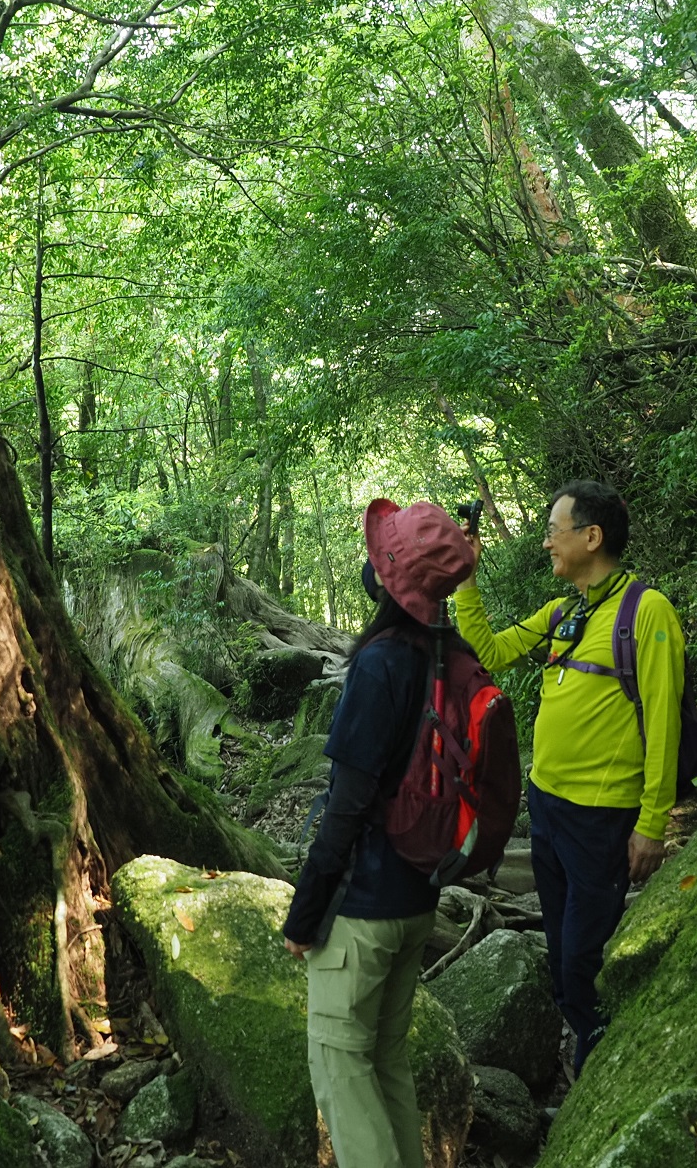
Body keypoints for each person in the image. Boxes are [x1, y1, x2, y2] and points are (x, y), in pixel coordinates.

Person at [453, 479, 684, 1078]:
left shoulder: (646, 612)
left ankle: (600, 1056)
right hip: (548, 808)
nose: (547, 542)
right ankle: (583, 1040)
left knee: (582, 954)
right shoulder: (565, 612)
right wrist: (467, 581)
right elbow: (488, 653)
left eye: (555, 531)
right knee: (560, 946)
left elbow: (663, 722)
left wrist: (652, 823)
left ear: (592, 536)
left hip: (601, 817)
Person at [282, 499, 475, 1168]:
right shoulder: (452, 656)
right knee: (385, 1058)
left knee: (339, 1063)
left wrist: (304, 914)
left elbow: (347, 805)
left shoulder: (380, 663)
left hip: (362, 911)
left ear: (392, 582)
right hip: (420, 895)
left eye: (381, 556)